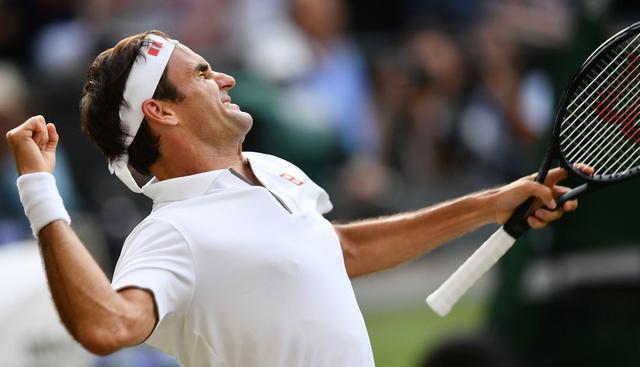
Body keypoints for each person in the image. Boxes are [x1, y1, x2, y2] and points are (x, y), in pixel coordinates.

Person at [5, 30, 581, 367]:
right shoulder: (168, 233)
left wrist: (490, 205)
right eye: (203, 73)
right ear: (162, 110)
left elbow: (342, 250)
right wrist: (39, 192)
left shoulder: (271, 171)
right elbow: (107, 328)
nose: (226, 78)